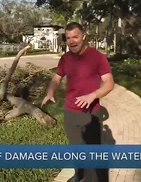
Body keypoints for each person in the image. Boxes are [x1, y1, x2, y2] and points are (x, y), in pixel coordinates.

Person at [41, 22, 115, 182]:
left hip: (91, 114)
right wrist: (50, 91)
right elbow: (56, 78)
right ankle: (79, 175)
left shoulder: (97, 57)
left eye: (75, 36)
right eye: (68, 38)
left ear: (84, 36)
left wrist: (92, 95)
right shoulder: (65, 59)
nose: (72, 41)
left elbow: (109, 83)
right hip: (70, 113)